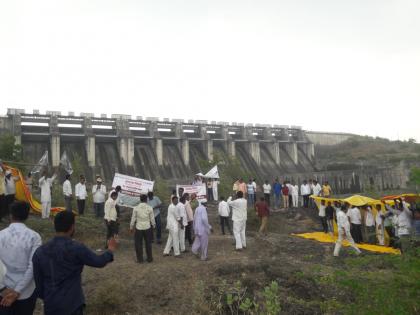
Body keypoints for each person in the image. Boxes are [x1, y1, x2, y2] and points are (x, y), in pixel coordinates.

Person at [32, 211, 116, 315]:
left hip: (51, 305)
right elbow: (99, 262)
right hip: (72, 304)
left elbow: (38, 284)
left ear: (55, 225)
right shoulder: (76, 248)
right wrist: (110, 250)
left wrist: (49, 297)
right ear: (72, 227)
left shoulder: (40, 251)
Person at [0, 202, 42, 315]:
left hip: (3, 292)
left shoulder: (1, 235)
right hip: (26, 292)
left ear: (10, 215)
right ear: (27, 216)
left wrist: (3, 289)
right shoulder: (34, 237)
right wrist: (17, 291)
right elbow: (32, 267)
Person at [130, 194, 156, 263]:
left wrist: (131, 227)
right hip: (147, 227)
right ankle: (149, 259)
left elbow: (133, 218)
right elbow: (152, 218)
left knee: (138, 244)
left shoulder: (136, 208)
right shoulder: (149, 208)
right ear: (146, 199)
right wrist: (153, 225)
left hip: (139, 227)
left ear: (140, 199)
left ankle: (140, 259)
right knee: (148, 243)